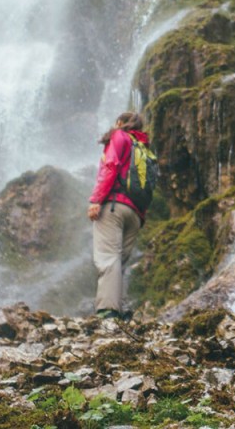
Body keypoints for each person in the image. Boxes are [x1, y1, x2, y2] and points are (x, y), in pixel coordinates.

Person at [88, 112, 150, 320]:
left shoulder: (119, 136)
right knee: (118, 262)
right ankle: (119, 310)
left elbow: (111, 166)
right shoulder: (141, 147)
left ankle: (107, 312)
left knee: (108, 258)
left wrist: (96, 199)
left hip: (114, 205)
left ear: (120, 123)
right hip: (135, 213)